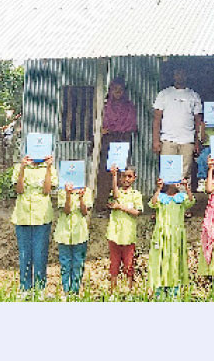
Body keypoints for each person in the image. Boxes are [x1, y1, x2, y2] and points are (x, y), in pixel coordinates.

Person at [12, 154, 56, 296]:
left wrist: (49, 167)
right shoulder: (19, 167)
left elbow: (47, 190)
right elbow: (19, 190)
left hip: (42, 215)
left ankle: (40, 288)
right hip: (23, 216)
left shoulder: (49, 167)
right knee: (25, 253)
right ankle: (25, 288)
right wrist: (23, 168)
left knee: (40, 253)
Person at [153, 66, 203, 186]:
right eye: (177, 73)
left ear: (187, 75)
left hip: (187, 140)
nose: (180, 76)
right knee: (167, 172)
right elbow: (156, 119)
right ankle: (168, 201)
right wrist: (156, 140)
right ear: (173, 75)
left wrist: (197, 142)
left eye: (183, 73)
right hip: (167, 140)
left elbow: (198, 121)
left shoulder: (193, 95)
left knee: (184, 175)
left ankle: (184, 200)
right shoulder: (164, 94)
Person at [97, 76, 137, 217]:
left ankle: (119, 204)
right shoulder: (105, 106)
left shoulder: (129, 106)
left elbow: (132, 125)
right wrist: (101, 130)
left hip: (123, 140)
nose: (118, 92)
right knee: (104, 173)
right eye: (115, 90)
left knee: (120, 173)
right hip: (107, 140)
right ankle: (102, 205)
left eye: (120, 90)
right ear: (110, 90)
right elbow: (98, 124)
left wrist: (117, 129)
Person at [148, 177, 194, 297]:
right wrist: (158, 188)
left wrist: (187, 188)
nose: (177, 182)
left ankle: (174, 291)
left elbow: (191, 201)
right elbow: (153, 204)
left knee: (175, 261)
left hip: (176, 235)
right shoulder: (161, 197)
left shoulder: (181, 198)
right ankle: (159, 290)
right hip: (162, 234)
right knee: (160, 261)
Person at [107, 166, 143, 291]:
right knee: (114, 264)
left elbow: (137, 211)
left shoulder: (136, 194)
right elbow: (115, 196)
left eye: (129, 176)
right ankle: (113, 290)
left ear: (134, 178)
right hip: (115, 234)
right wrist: (114, 176)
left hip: (128, 235)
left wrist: (121, 207)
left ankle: (129, 290)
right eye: (123, 176)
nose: (126, 179)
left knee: (128, 264)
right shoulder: (116, 192)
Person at [55, 181, 93, 297]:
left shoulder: (86, 191)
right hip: (64, 233)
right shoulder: (62, 191)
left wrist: (81, 198)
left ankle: (75, 291)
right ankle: (66, 291)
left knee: (78, 263)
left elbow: (84, 212)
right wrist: (68, 194)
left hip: (80, 233)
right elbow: (66, 211)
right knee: (65, 263)